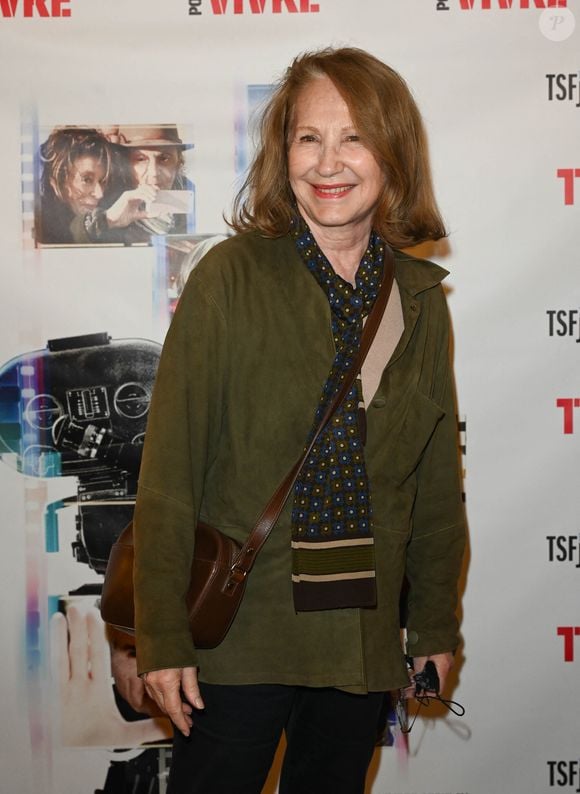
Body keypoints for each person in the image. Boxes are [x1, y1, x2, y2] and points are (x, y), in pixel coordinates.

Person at [133, 46, 466, 794]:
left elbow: (436, 485)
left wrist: (436, 626)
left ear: (393, 152)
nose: (329, 160)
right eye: (308, 137)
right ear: (284, 154)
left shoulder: (419, 300)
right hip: (240, 639)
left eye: (355, 136)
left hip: (360, 639)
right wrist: (160, 634)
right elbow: (169, 474)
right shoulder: (229, 278)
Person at [81, 126, 194, 244]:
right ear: (125, 164)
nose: (154, 173)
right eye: (141, 159)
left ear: (178, 163)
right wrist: (108, 220)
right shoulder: (103, 199)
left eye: (164, 158)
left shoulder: (197, 197)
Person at [36, 127, 114, 245]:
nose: (100, 194)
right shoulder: (37, 229)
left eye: (103, 181)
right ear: (58, 181)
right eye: (87, 180)